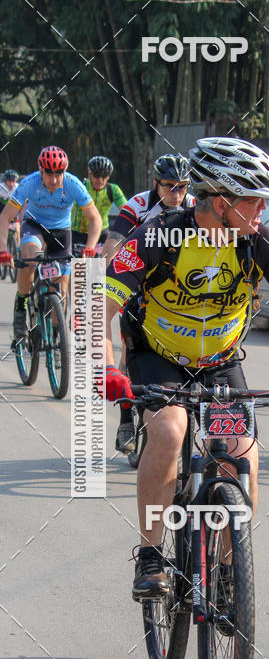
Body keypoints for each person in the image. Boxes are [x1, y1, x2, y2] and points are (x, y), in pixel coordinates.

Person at [99, 136, 269, 600]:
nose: (261, 213)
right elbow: (99, 309)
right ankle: (152, 555)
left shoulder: (261, 243)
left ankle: (231, 573)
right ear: (220, 202)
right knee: (171, 432)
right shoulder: (157, 237)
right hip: (159, 357)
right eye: (254, 202)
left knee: (239, 453)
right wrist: (106, 365)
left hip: (219, 362)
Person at [103, 153, 195, 454]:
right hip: (138, 287)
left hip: (179, 290)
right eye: (169, 186)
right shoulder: (137, 206)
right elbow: (114, 242)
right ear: (156, 184)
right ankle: (126, 420)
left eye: (182, 187)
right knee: (130, 357)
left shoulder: (193, 206)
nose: (176, 194)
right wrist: (111, 276)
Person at [0, 146, 102, 343]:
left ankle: (56, 338)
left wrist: (90, 246)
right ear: (41, 170)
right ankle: (21, 308)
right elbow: (6, 216)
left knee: (60, 290)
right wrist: (3, 249)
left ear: (65, 171)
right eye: (49, 174)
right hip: (34, 226)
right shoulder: (29, 183)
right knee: (30, 258)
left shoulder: (73, 184)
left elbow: (95, 219)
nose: (54, 180)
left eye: (58, 174)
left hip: (60, 231)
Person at [71, 156, 126, 250]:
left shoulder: (113, 190)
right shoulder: (81, 187)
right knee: (79, 264)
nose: (100, 180)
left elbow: (126, 210)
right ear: (90, 174)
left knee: (100, 264)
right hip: (77, 234)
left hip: (101, 234)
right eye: (97, 175)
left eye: (104, 176)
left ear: (108, 176)